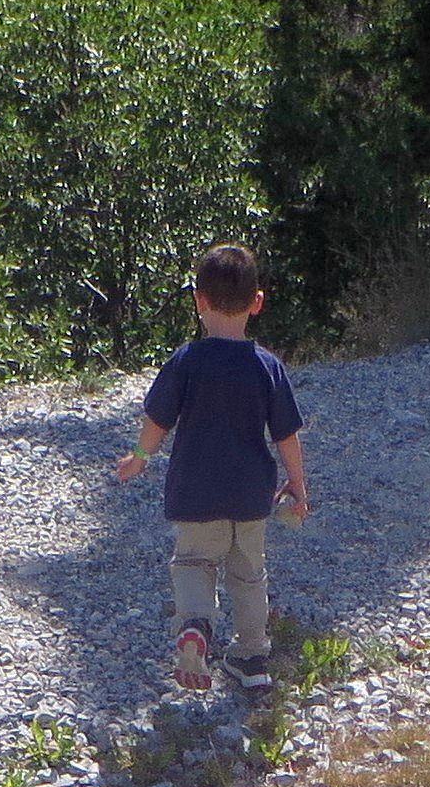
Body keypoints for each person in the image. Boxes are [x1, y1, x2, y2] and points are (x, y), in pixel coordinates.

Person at [113, 243, 309, 691]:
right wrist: (297, 483)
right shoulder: (268, 367)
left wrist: (139, 458)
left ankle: (196, 627)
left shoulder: (187, 360)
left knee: (194, 562)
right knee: (249, 574)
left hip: (196, 491)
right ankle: (251, 658)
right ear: (257, 302)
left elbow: (158, 419)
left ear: (199, 300)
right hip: (251, 495)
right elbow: (286, 434)